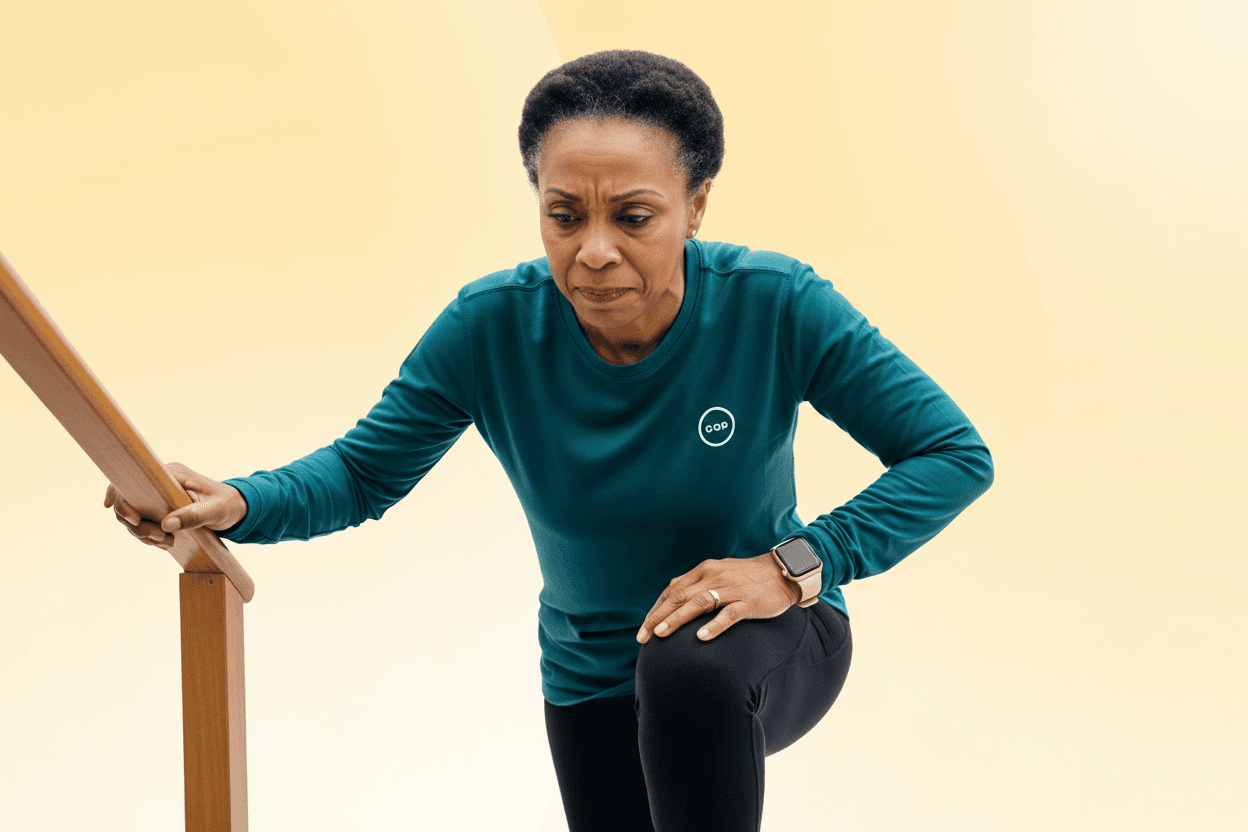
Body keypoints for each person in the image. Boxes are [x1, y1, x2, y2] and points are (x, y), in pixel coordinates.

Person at [104, 50, 994, 832]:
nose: (595, 250)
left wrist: (792, 564)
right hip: (591, 672)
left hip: (766, 635)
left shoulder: (777, 304)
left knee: (684, 667)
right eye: (565, 215)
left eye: (634, 217)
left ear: (697, 206)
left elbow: (953, 454)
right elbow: (364, 471)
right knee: (647, 696)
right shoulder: (490, 326)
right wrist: (243, 501)